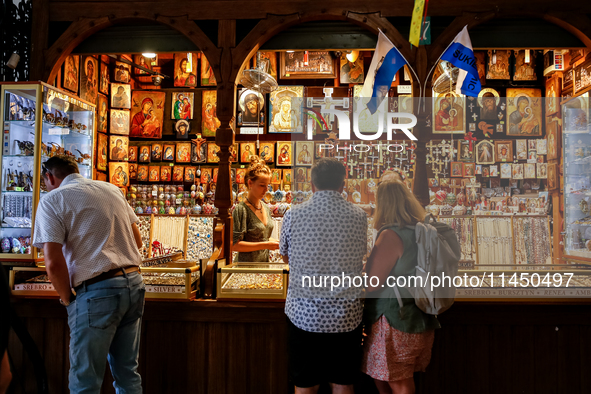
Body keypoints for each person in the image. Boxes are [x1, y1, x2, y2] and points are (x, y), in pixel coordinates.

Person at [32, 155, 144, 393]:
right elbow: (138, 240)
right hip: (133, 284)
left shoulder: (53, 200)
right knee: (127, 375)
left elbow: (52, 262)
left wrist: (68, 300)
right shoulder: (111, 189)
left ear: (50, 177)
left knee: (86, 382)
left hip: (97, 291)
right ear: (76, 171)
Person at [280, 158, 367, 393]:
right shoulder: (359, 215)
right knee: (342, 384)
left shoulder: (293, 214)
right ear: (342, 184)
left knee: (305, 385)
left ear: (312, 184)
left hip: (304, 315)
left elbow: (286, 257)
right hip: (345, 316)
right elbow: (360, 257)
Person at [362, 180, 440, 394]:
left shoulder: (390, 235)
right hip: (421, 315)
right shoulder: (424, 231)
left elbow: (372, 284)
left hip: (395, 318)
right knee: (391, 376)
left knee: (398, 381)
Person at [232, 156, 278, 262]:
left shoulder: (266, 207)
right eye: (262, 185)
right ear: (250, 183)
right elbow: (235, 245)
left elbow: (263, 238)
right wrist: (266, 245)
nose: (266, 190)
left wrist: (277, 243)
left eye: (268, 186)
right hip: (245, 268)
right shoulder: (241, 209)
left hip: (263, 266)